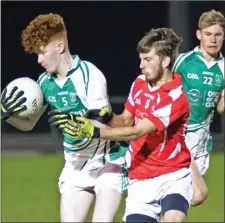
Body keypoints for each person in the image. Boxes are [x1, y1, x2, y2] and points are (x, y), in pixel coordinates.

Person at [50, 28, 194, 222]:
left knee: (172, 219)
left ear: (165, 61)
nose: (141, 65)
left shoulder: (176, 97)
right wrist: (108, 118)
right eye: (141, 59)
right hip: (140, 178)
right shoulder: (140, 83)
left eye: (147, 59)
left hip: (172, 175)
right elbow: (126, 121)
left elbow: (136, 132)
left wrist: (93, 131)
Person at [0, 13, 129, 222]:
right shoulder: (43, 83)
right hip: (76, 166)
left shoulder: (89, 76)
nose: (39, 60)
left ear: (59, 47)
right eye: (36, 54)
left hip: (108, 162)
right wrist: (6, 116)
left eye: (42, 52)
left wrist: (81, 124)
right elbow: (29, 124)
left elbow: (107, 126)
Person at [173, 9, 225, 206]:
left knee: (183, 199)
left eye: (218, 34)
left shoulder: (223, 68)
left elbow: (220, 108)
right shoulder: (183, 61)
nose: (213, 39)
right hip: (180, 136)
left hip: (202, 140)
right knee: (197, 193)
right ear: (199, 35)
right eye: (208, 34)